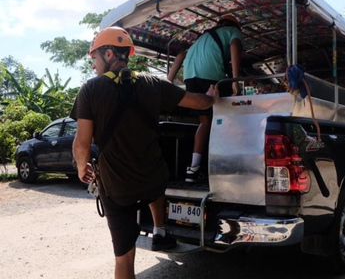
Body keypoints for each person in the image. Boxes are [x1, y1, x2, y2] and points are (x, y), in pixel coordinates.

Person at [71, 26, 219, 279]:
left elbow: (81, 144)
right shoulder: (154, 83)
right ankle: (160, 230)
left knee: (124, 258)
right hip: (153, 180)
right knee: (156, 186)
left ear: (108, 54)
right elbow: (199, 102)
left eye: (94, 57)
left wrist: (81, 166)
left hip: (117, 189)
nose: (93, 65)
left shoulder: (90, 90)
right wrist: (212, 97)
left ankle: (154, 235)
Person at [167, 15, 244, 183]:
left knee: (205, 122)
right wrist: (235, 81)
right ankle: (226, 165)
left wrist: (168, 82)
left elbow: (181, 55)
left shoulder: (202, 37)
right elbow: (235, 46)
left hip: (190, 77)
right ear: (236, 26)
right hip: (211, 75)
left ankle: (193, 170)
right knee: (227, 118)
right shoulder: (233, 32)